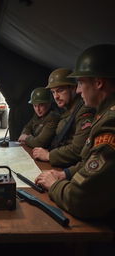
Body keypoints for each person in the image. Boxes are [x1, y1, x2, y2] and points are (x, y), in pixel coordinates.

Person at [35, 44, 115, 220]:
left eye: (80, 83)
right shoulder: (104, 115)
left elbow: (82, 199)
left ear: (99, 83)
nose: (78, 90)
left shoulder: (110, 122)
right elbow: (90, 160)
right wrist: (66, 174)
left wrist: (54, 184)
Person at [32, 68, 95, 167]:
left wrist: (49, 155)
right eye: (53, 92)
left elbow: (78, 149)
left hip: (71, 167)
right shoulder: (68, 110)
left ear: (73, 89)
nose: (56, 96)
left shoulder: (83, 110)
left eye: (60, 90)